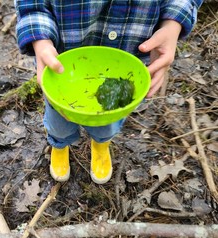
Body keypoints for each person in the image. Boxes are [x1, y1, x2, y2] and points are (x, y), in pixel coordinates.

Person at [14, 0, 203, 184]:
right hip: (63, 65)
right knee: (59, 122)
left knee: (108, 121)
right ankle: (59, 145)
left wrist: (173, 23)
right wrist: (40, 39)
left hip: (126, 58)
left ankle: (101, 144)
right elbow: (32, 5)